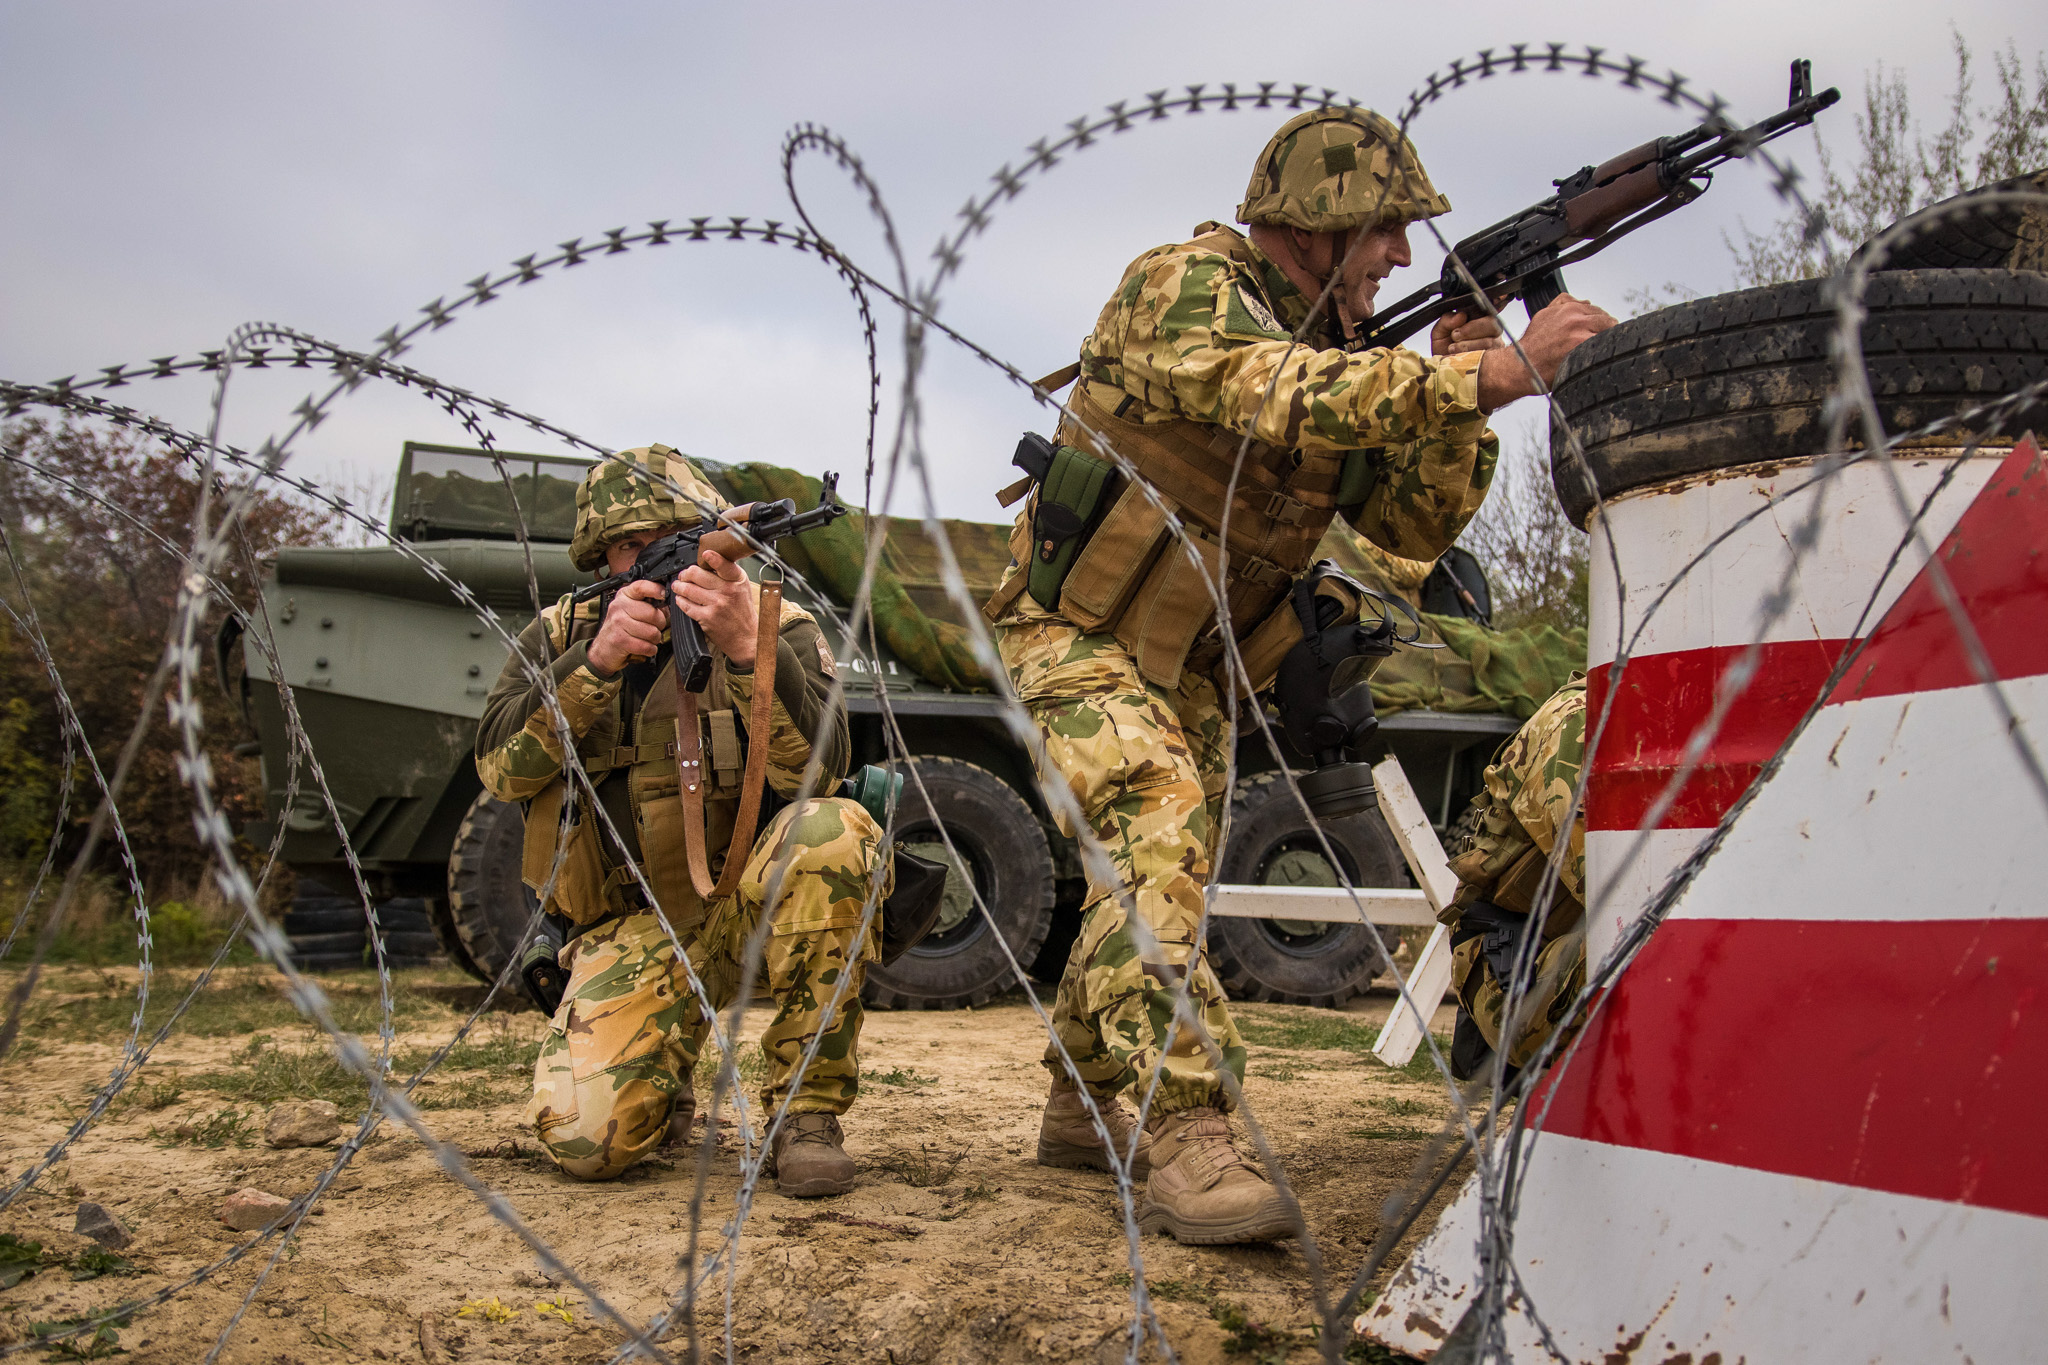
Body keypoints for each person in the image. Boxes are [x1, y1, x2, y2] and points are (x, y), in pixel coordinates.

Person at [981, 107, 1615, 1244]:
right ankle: (1186, 1125)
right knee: (1158, 829)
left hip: (1195, 662)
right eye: (1386, 230)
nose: (1402, 257)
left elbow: (1408, 529)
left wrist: (1456, 396)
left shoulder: (1349, 362)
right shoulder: (1182, 286)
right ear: (1318, 224)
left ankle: (1080, 1100)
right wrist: (1488, 378)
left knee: (1156, 873)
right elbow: (1267, 390)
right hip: (1073, 632)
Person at [476, 444, 891, 1195]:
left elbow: (822, 770)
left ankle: (805, 1115)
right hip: (629, 929)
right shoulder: (562, 632)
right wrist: (595, 665)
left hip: (749, 911)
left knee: (835, 831)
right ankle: (664, 1073)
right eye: (630, 545)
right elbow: (502, 770)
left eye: (672, 537)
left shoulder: (775, 620)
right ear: (601, 557)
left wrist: (748, 648)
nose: (652, 557)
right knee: (586, 1142)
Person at [1442, 675, 1588, 1084]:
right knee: (1651, 944)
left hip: (1552, 951)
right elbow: (1594, 875)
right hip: (1515, 977)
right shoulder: (1579, 719)